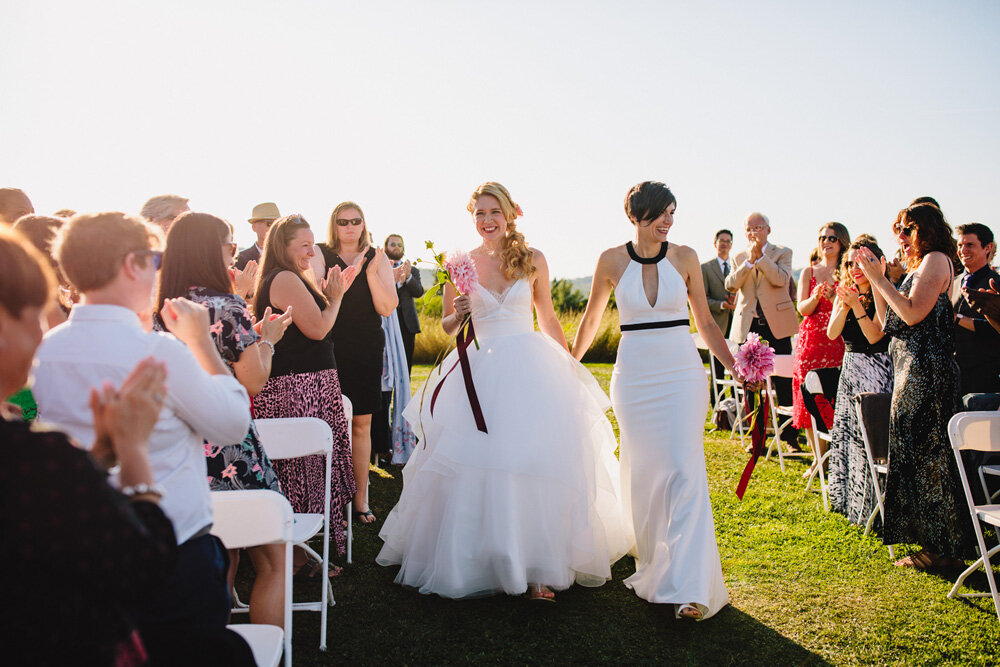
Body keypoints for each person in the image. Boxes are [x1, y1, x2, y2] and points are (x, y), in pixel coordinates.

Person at [378, 182, 632, 602]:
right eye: (479, 213)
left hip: (527, 368)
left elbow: (547, 316)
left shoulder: (532, 259)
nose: (486, 220)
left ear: (511, 213)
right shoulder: (457, 263)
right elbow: (444, 325)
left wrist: (567, 361)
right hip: (476, 373)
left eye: (493, 211)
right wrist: (457, 313)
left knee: (531, 462)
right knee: (475, 463)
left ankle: (538, 571)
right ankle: (479, 560)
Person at [32, 211, 253, 634]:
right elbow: (232, 425)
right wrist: (201, 344)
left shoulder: (45, 349)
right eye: (155, 260)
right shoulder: (160, 352)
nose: (159, 272)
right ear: (132, 264)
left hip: (81, 548)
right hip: (171, 551)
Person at [0, 229, 181, 665]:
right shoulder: (36, 458)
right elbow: (146, 568)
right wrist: (133, 449)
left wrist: (98, 455)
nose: (43, 333)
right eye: (35, 315)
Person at [573, 181, 737, 620]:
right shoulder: (609, 260)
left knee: (685, 469)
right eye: (660, 214)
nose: (667, 222)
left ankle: (691, 588)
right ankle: (655, 563)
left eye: (672, 214)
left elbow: (704, 321)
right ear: (637, 215)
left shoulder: (684, 258)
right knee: (645, 475)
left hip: (681, 375)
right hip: (634, 380)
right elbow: (590, 321)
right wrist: (569, 362)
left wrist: (735, 364)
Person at [153, 211, 293, 628]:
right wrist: (267, 341)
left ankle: (210, 646)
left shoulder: (156, 308)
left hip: (181, 447)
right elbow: (252, 382)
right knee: (273, 559)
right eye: (228, 243)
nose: (232, 251)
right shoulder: (225, 305)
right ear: (209, 250)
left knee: (218, 557)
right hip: (230, 444)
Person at [857, 203, 976, 568]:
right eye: (899, 232)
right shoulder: (917, 267)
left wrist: (881, 280)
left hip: (928, 372)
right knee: (912, 456)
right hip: (909, 370)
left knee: (932, 459)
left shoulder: (937, 259)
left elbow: (911, 312)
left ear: (925, 229)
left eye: (907, 230)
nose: (902, 239)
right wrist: (876, 281)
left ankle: (943, 548)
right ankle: (929, 543)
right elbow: (887, 321)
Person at [252, 214, 358, 563]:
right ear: (283, 247)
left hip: (304, 383)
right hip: (298, 388)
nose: (311, 252)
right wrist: (337, 298)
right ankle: (301, 556)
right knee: (304, 469)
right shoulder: (283, 278)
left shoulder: (290, 276)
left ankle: (306, 553)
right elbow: (318, 329)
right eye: (304, 245)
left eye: (313, 244)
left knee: (307, 468)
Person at [319, 202, 398, 524]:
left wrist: (369, 274)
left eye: (356, 221)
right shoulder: (321, 255)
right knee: (330, 424)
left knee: (361, 423)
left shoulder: (377, 257)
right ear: (334, 225)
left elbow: (387, 307)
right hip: (328, 344)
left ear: (363, 223)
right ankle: (331, 497)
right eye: (343, 221)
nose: (350, 226)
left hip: (366, 345)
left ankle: (360, 500)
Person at [826, 235, 894, 525]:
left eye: (861, 262)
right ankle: (850, 503)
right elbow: (831, 333)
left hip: (875, 369)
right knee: (849, 433)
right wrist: (844, 305)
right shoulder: (846, 292)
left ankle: (874, 510)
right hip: (850, 367)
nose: (855, 268)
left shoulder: (880, 290)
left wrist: (856, 306)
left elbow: (875, 336)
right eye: (850, 263)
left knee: (870, 437)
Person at [724, 212, 798, 446]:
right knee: (751, 382)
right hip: (749, 326)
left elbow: (781, 279)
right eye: (748, 229)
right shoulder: (738, 256)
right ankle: (757, 435)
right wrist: (748, 262)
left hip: (777, 327)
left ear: (768, 229)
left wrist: (761, 259)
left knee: (785, 381)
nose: (753, 232)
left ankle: (789, 436)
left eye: (757, 228)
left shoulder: (782, 253)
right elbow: (731, 284)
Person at [793, 223, 848, 476]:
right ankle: (818, 458)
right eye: (822, 238)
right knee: (808, 398)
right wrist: (815, 297)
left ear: (841, 242)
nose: (826, 242)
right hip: (811, 342)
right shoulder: (808, 271)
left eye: (832, 238)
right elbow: (801, 308)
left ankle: (835, 455)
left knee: (833, 397)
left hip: (837, 341)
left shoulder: (846, 270)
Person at [952, 223, 1000, 396]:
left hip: (985, 378)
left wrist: (957, 318)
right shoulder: (952, 282)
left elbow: (994, 329)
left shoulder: (996, 284)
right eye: (960, 245)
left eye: (970, 245)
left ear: (988, 248)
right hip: (954, 376)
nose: (963, 250)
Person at [701, 228, 735, 406]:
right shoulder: (705, 268)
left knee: (737, 364)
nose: (725, 244)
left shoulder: (737, 266)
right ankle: (718, 406)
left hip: (736, 323)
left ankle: (737, 403)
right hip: (716, 323)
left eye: (728, 241)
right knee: (718, 367)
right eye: (722, 241)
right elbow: (702, 299)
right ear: (715, 243)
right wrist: (722, 304)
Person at [386, 233, 424, 372]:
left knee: (406, 366)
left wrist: (408, 278)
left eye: (399, 245)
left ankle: (406, 394)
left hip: (407, 325)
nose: (397, 247)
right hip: (386, 322)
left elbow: (419, 292)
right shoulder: (380, 268)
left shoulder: (413, 270)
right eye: (393, 244)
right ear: (386, 247)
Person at [236, 202, 280, 270]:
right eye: (269, 223)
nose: (272, 227)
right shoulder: (240, 259)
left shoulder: (288, 257)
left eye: (277, 224)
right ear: (254, 227)